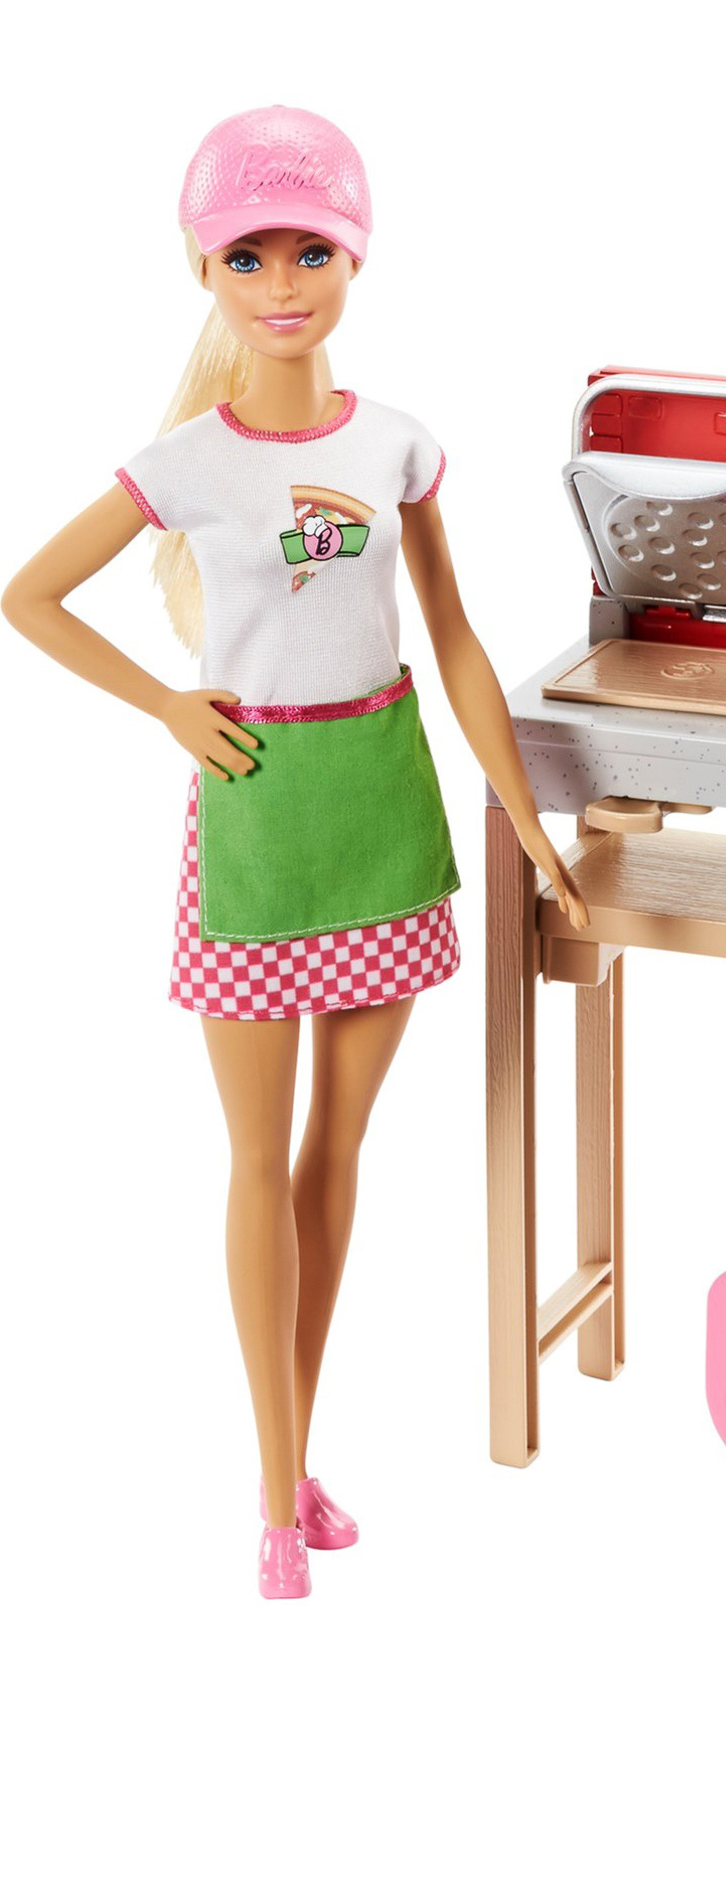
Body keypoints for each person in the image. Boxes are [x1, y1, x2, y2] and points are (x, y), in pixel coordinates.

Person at [3, 106, 588, 1599]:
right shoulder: (184, 463)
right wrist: (167, 707)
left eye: (310, 252)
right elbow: (30, 596)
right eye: (248, 256)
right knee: (258, 1161)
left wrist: (527, 822)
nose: (282, 285)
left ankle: (300, 1466)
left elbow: (454, 638)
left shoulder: (399, 446)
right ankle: (277, 1499)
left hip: (381, 804)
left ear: (356, 258)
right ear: (203, 270)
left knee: (340, 1151)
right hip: (259, 814)